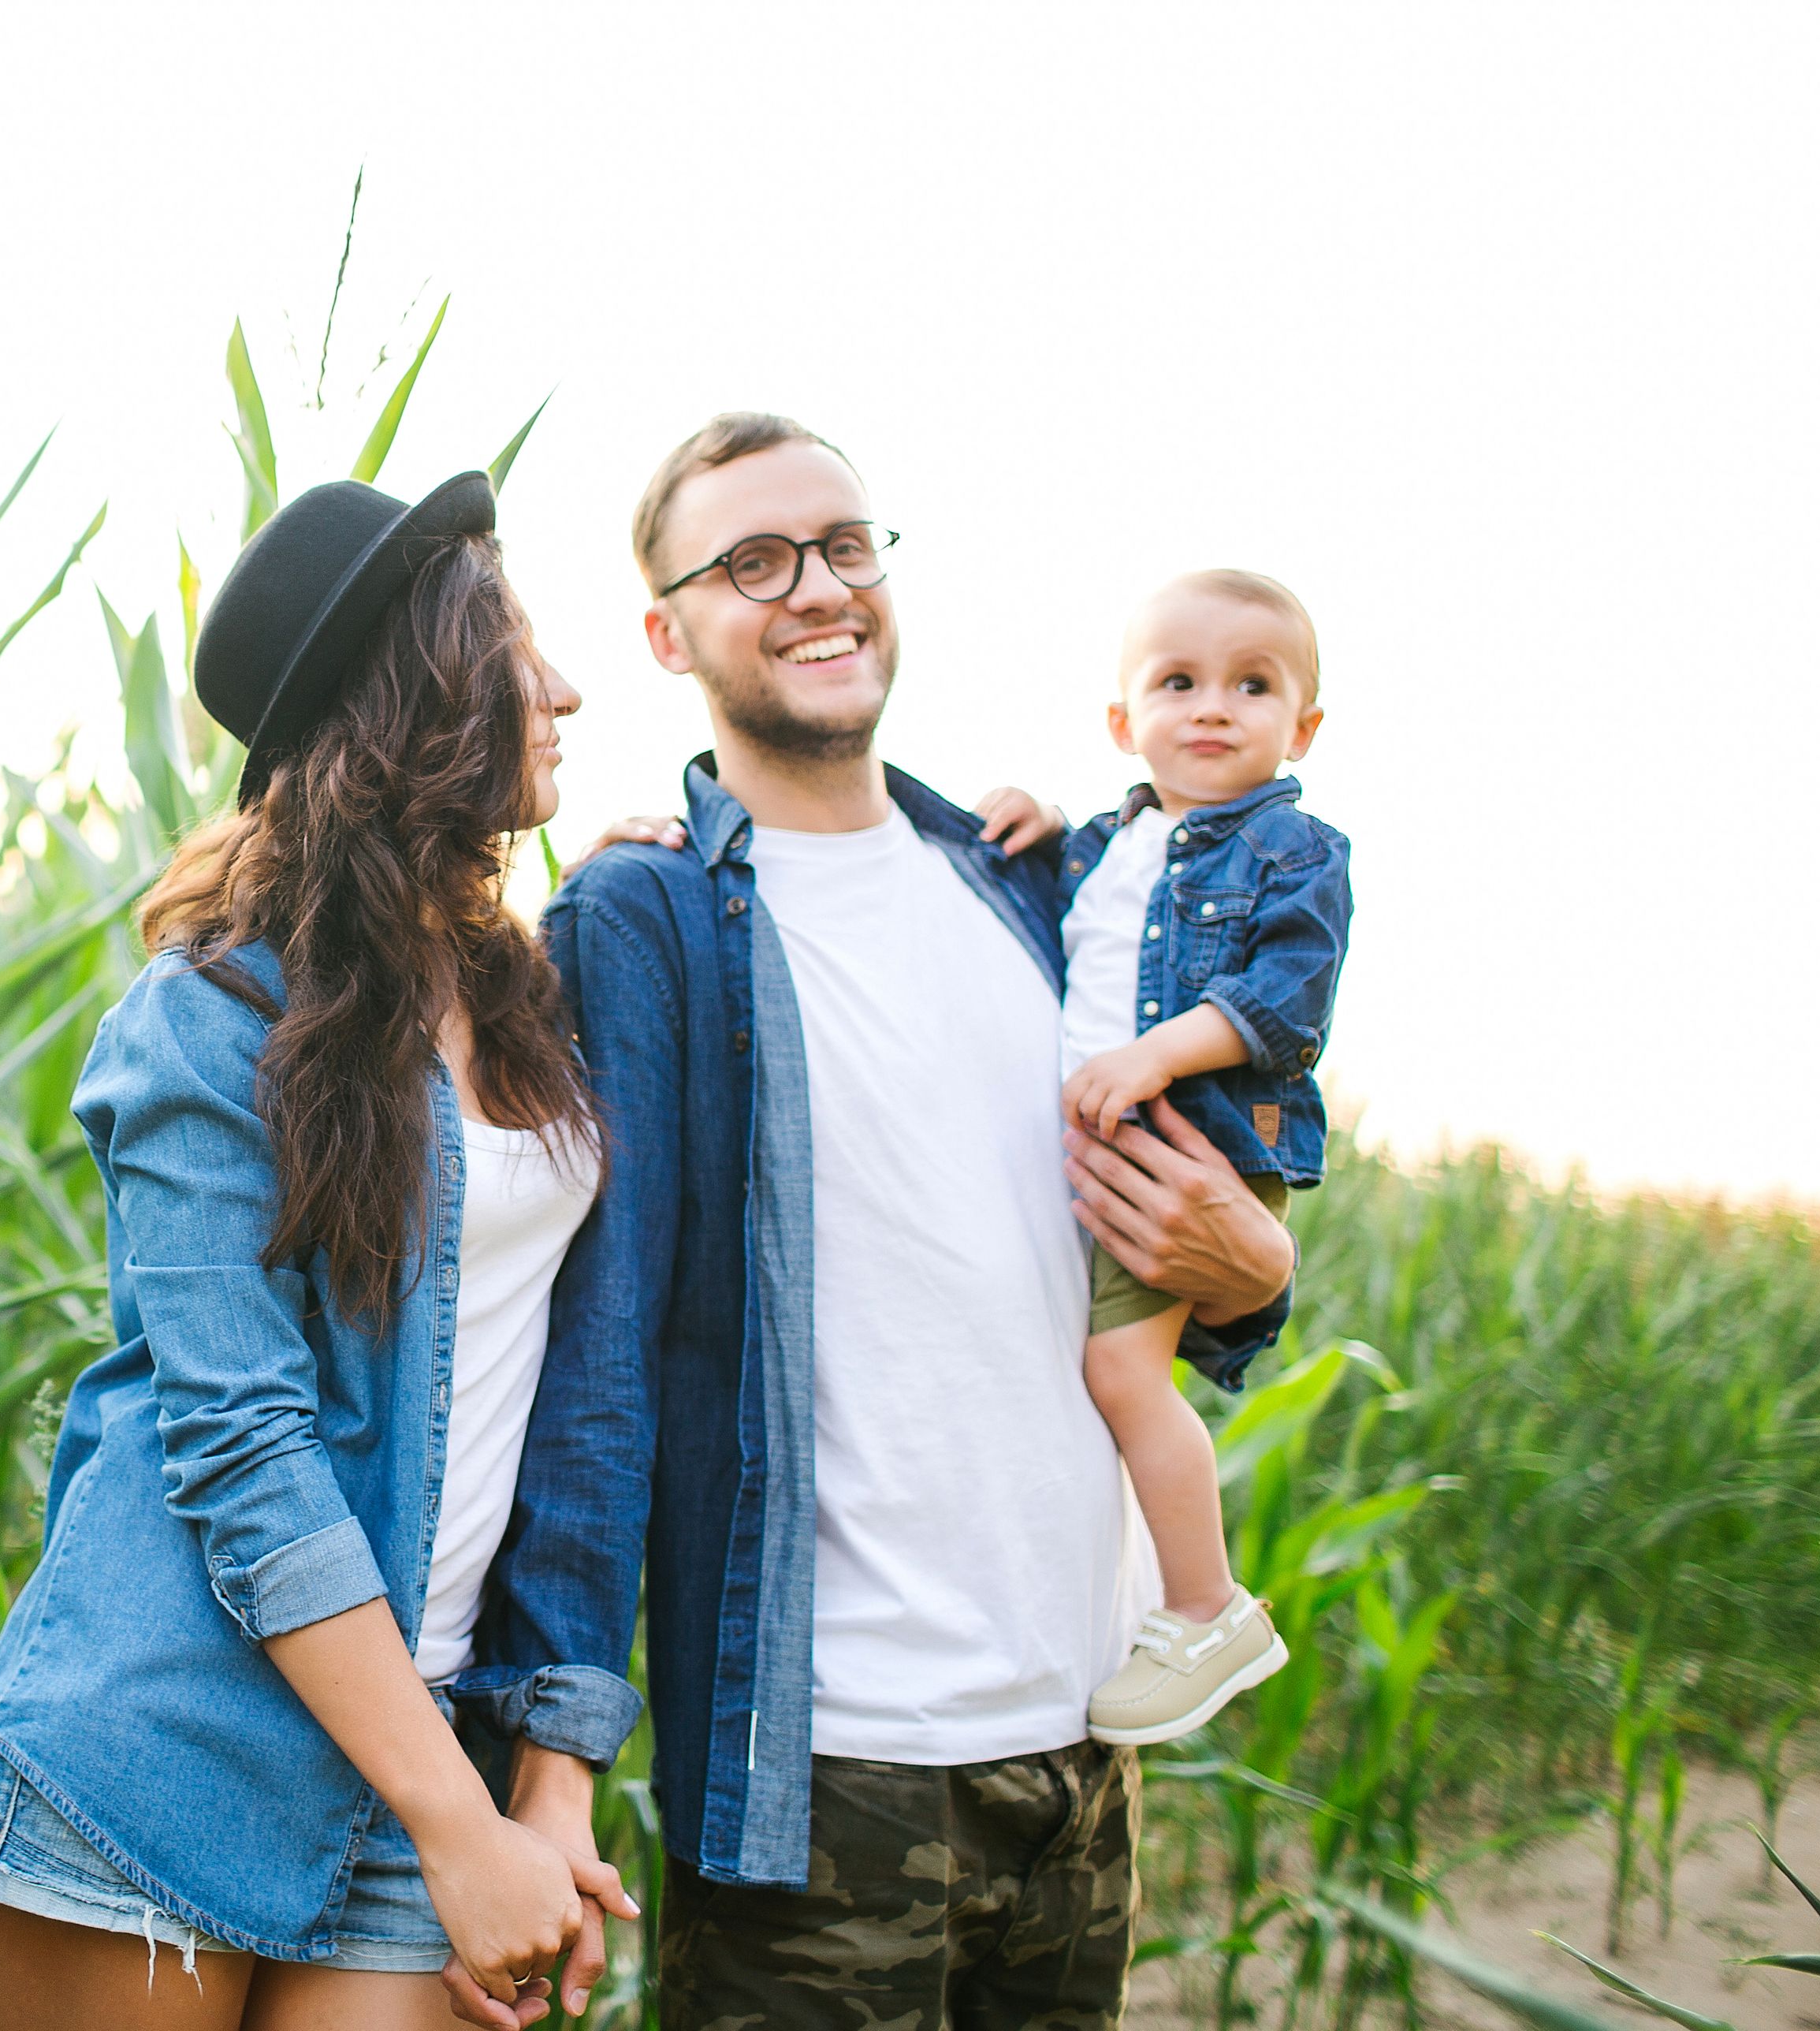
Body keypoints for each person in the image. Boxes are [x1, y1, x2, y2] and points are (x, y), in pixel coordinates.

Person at [518, 415, 1297, 2028]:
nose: (817, 588)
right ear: (667, 634)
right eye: (753, 563)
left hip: (1082, 1744)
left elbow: (1145, 1222)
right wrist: (557, 1760)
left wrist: (1257, 1275)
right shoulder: (648, 917)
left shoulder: (1033, 886)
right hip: (829, 1768)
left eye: (844, 544)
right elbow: (599, 1357)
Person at [0, 471, 641, 2031]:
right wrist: (458, 1822)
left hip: (427, 1745)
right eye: (520, 655)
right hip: (173, 1753)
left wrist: (533, 1776)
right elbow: (243, 1444)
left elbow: (583, 1384)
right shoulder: (208, 1021)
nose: (567, 691)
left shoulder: (531, 996)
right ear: (419, 698)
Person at [973, 570, 1353, 1747]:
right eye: (1179, 682)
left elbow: (1285, 1001)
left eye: (1254, 686)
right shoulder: (1110, 845)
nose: (1214, 707)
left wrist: (1152, 1057)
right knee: (1085, 1365)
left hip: (1199, 1148)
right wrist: (1033, 821)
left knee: (1127, 1376)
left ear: (1303, 727)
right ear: (1122, 720)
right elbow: (1065, 922)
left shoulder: (1293, 848)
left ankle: (1206, 1609)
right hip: (1113, 1151)